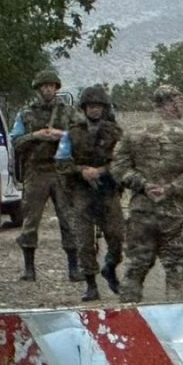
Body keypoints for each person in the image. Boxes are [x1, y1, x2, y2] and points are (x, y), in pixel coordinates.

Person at [113, 85, 183, 303]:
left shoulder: (133, 134)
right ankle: (178, 325)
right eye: (181, 100)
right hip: (177, 215)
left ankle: (127, 322)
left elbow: (119, 167)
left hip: (142, 212)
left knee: (135, 270)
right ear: (173, 102)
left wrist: (144, 185)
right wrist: (171, 188)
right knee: (176, 271)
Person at [55, 85, 125, 301]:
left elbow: (122, 161)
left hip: (107, 190)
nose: (95, 110)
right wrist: (82, 171)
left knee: (116, 236)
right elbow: (61, 162)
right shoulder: (71, 134)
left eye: (99, 107)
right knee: (84, 241)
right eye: (91, 106)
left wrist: (102, 171)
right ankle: (91, 284)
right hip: (81, 191)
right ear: (84, 108)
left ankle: (110, 267)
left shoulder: (116, 133)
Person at [12, 69, 80, 282]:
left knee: (68, 219)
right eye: (44, 86)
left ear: (56, 88)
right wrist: (36, 136)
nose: (48, 90)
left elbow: (84, 136)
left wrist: (62, 135)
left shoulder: (68, 112)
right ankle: (29, 268)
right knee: (31, 220)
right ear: (38, 89)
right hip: (36, 171)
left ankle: (73, 268)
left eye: (51, 86)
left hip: (61, 171)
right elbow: (15, 141)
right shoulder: (25, 114)